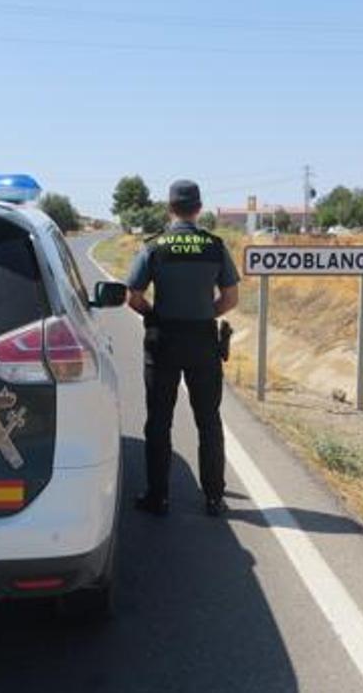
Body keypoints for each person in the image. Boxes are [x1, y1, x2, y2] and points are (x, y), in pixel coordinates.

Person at [125, 180, 240, 517]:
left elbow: (133, 297)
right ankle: (214, 498)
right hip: (203, 341)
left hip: (164, 342)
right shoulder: (215, 246)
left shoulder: (154, 247)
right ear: (199, 209)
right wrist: (206, 315)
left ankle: (157, 497)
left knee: (159, 421)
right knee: (208, 420)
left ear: (169, 208)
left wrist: (155, 315)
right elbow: (231, 298)